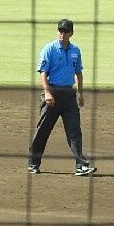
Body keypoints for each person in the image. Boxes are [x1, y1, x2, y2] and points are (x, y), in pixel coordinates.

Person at [27, 18, 94, 177]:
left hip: (69, 96)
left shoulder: (75, 50)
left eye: (65, 32)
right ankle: (33, 163)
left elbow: (78, 73)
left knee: (75, 132)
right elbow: (43, 73)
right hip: (52, 94)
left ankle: (80, 165)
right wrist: (47, 92)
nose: (62, 34)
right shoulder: (49, 49)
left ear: (71, 33)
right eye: (60, 31)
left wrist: (80, 93)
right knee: (43, 130)